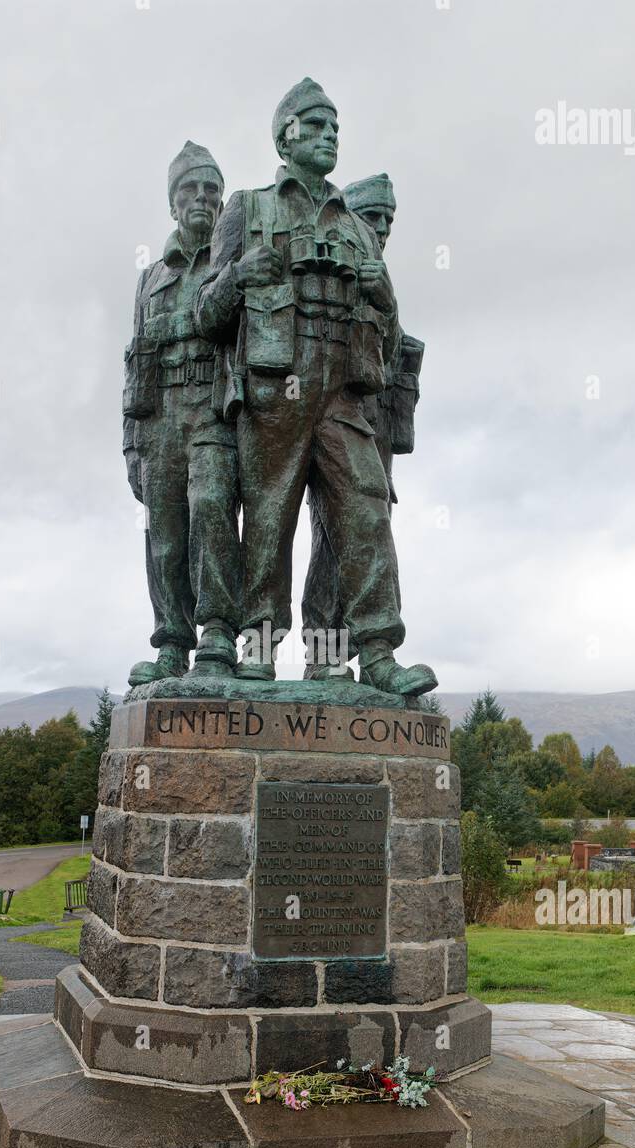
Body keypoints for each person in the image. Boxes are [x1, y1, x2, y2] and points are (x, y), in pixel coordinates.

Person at [196, 79, 435, 697]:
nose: (330, 136)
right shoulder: (246, 210)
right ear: (286, 135)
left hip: (344, 393)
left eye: (335, 128)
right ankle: (257, 649)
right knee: (270, 520)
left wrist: (382, 289)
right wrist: (239, 277)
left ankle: (374, 651)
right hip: (278, 389)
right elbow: (206, 315)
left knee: (365, 512)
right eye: (317, 125)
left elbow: (387, 322)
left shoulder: (355, 225)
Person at [123, 141, 241, 687]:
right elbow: (135, 360)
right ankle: (172, 642)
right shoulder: (150, 277)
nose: (202, 198)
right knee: (164, 531)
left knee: (213, 510)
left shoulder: (232, 263)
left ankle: (218, 631)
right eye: (190, 189)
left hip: (213, 411)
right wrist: (131, 443)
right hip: (160, 418)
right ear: (173, 203)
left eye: (211, 189)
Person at [301, 172, 425, 681]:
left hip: (371, 436)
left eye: (388, 220)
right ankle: (324, 654)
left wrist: (387, 301)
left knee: (366, 531)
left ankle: (363, 650)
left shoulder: (380, 283)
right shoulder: (330, 275)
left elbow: (391, 355)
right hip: (318, 418)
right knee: (330, 541)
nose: (382, 228)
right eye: (373, 217)